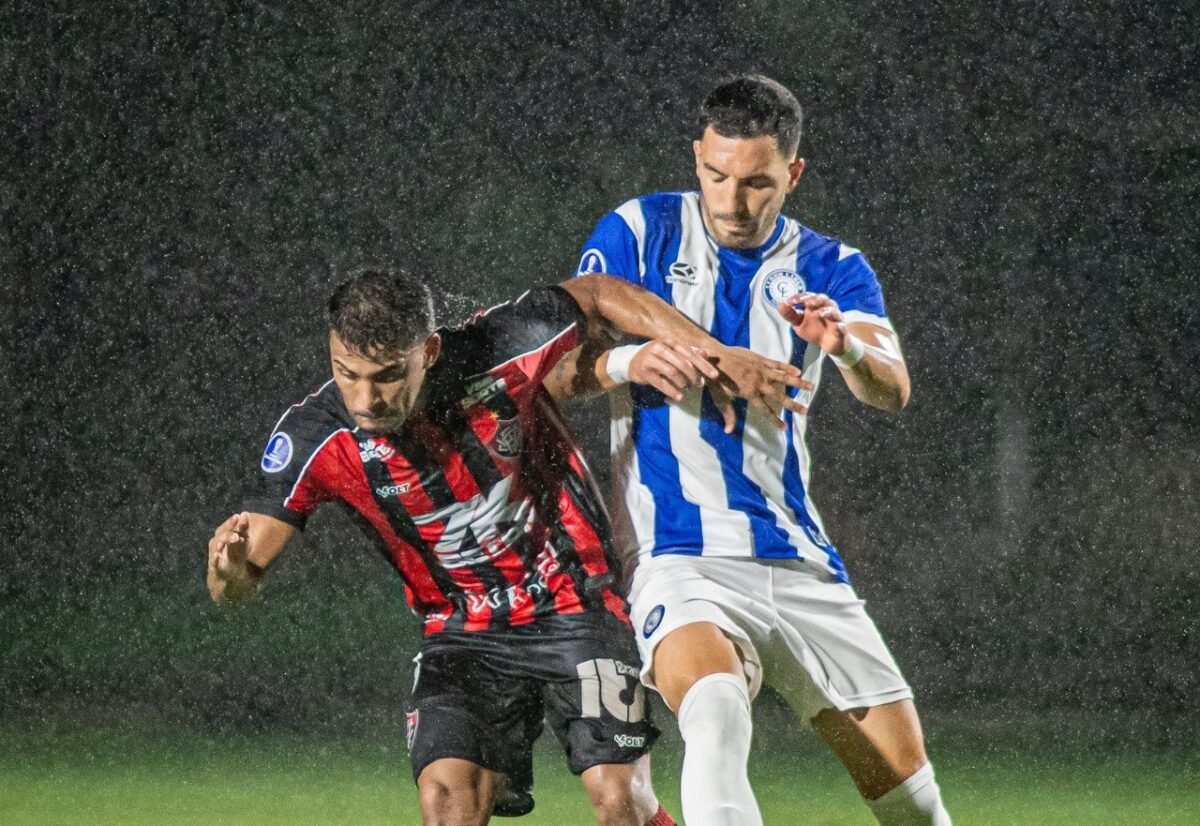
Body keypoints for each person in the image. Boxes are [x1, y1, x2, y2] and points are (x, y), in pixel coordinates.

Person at [206, 267, 807, 826]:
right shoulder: (316, 436)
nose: (367, 399)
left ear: (429, 351)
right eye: (348, 373)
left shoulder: (493, 350)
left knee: (620, 799)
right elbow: (237, 585)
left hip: (575, 606)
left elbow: (595, 292)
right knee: (445, 802)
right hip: (462, 632)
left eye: (389, 375)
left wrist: (714, 352)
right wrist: (229, 570)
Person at [558, 74, 952, 825]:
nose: (733, 202)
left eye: (758, 183)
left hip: (799, 559)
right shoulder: (640, 232)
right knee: (714, 714)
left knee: (914, 804)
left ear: (794, 173)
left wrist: (845, 351)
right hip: (678, 553)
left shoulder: (833, 266)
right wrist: (627, 362)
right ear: (697, 156)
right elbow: (556, 370)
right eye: (716, 176)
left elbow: (890, 389)